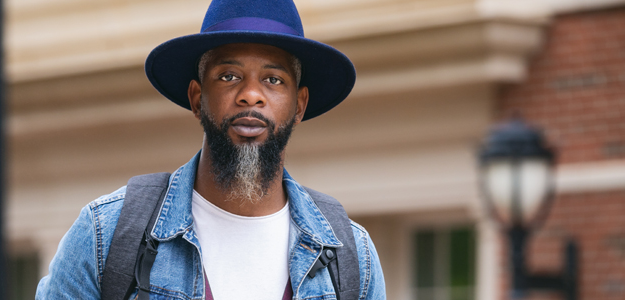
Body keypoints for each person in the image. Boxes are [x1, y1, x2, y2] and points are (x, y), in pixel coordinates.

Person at [36, 0, 386, 299]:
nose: (251, 95)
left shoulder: (350, 253)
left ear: (299, 105)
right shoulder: (105, 234)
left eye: (273, 80)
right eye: (229, 76)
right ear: (197, 98)